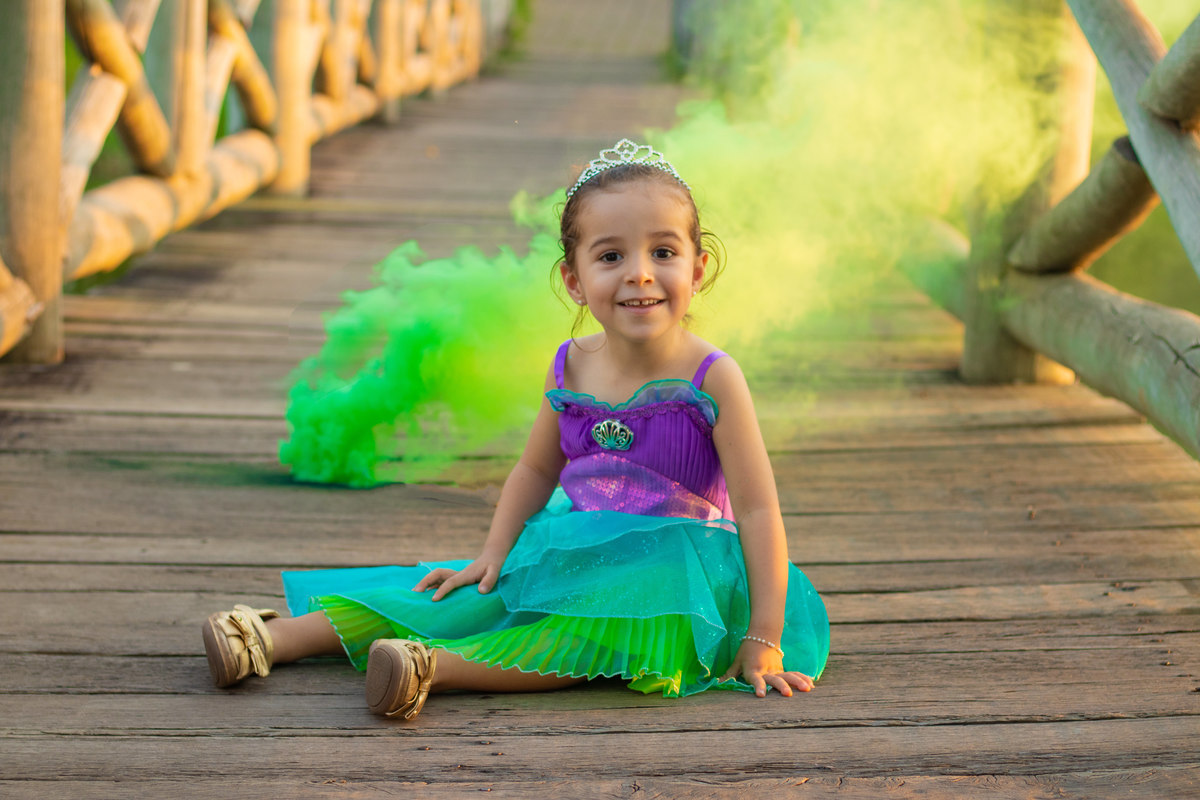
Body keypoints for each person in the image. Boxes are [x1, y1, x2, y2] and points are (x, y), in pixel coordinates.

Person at [202, 139, 830, 720]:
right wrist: (493, 553)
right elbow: (535, 470)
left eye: (663, 252)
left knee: (606, 632)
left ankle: (430, 670)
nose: (640, 273)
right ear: (575, 280)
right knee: (473, 596)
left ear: (697, 269)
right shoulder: (572, 364)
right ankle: (271, 638)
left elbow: (757, 508)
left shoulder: (713, 377)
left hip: (681, 569)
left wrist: (763, 636)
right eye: (612, 256)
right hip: (579, 539)